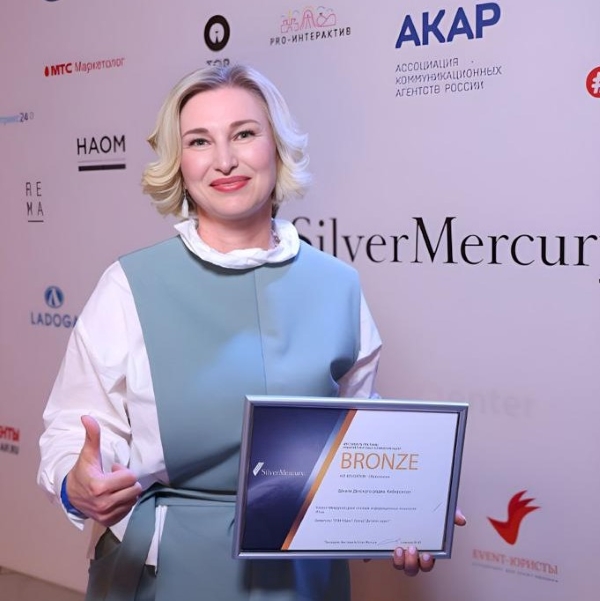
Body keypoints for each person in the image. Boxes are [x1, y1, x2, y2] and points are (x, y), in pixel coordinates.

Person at [37, 63, 465, 601]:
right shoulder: (129, 286)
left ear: (277, 148)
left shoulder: (338, 286)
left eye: (243, 133)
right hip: (163, 574)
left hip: (305, 577)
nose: (224, 160)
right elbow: (71, 432)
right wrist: (76, 486)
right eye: (199, 141)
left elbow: (358, 440)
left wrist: (404, 512)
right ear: (179, 164)